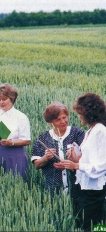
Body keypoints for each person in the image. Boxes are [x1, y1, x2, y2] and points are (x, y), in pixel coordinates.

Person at [54, 93, 106, 232]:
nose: (79, 116)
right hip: (83, 185)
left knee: (96, 225)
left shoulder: (101, 131)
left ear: (89, 113)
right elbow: (89, 158)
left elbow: (102, 165)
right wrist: (73, 159)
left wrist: (76, 165)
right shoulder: (90, 131)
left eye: (81, 113)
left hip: (94, 189)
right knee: (85, 223)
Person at [31, 102, 85, 220]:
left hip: (77, 188)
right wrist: (45, 158)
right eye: (58, 119)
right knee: (57, 219)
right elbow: (36, 165)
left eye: (64, 117)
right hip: (53, 188)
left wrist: (73, 159)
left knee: (80, 218)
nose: (63, 121)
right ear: (51, 122)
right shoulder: (43, 138)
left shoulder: (78, 133)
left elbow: (88, 160)